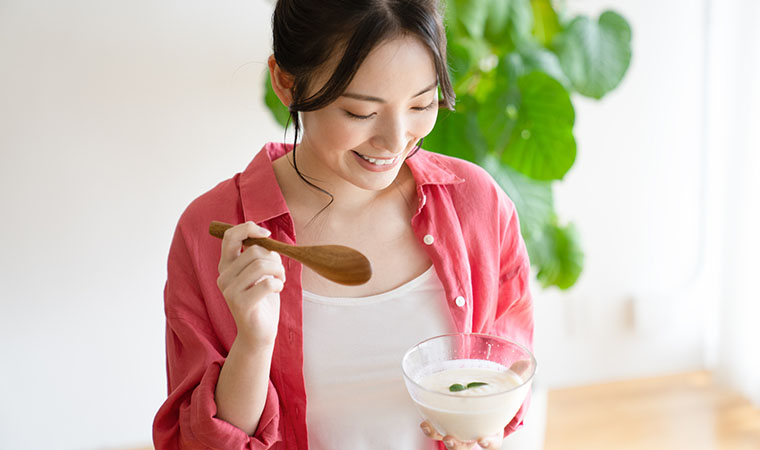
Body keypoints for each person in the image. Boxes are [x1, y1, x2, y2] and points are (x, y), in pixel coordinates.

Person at [153, 0, 534, 449]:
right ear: (286, 83)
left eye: (421, 104)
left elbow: (512, 371)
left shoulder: (478, 204)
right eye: (360, 112)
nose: (395, 141)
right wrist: (253, 343)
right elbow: (196, 443)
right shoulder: (211, 230)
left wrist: (482, 426)